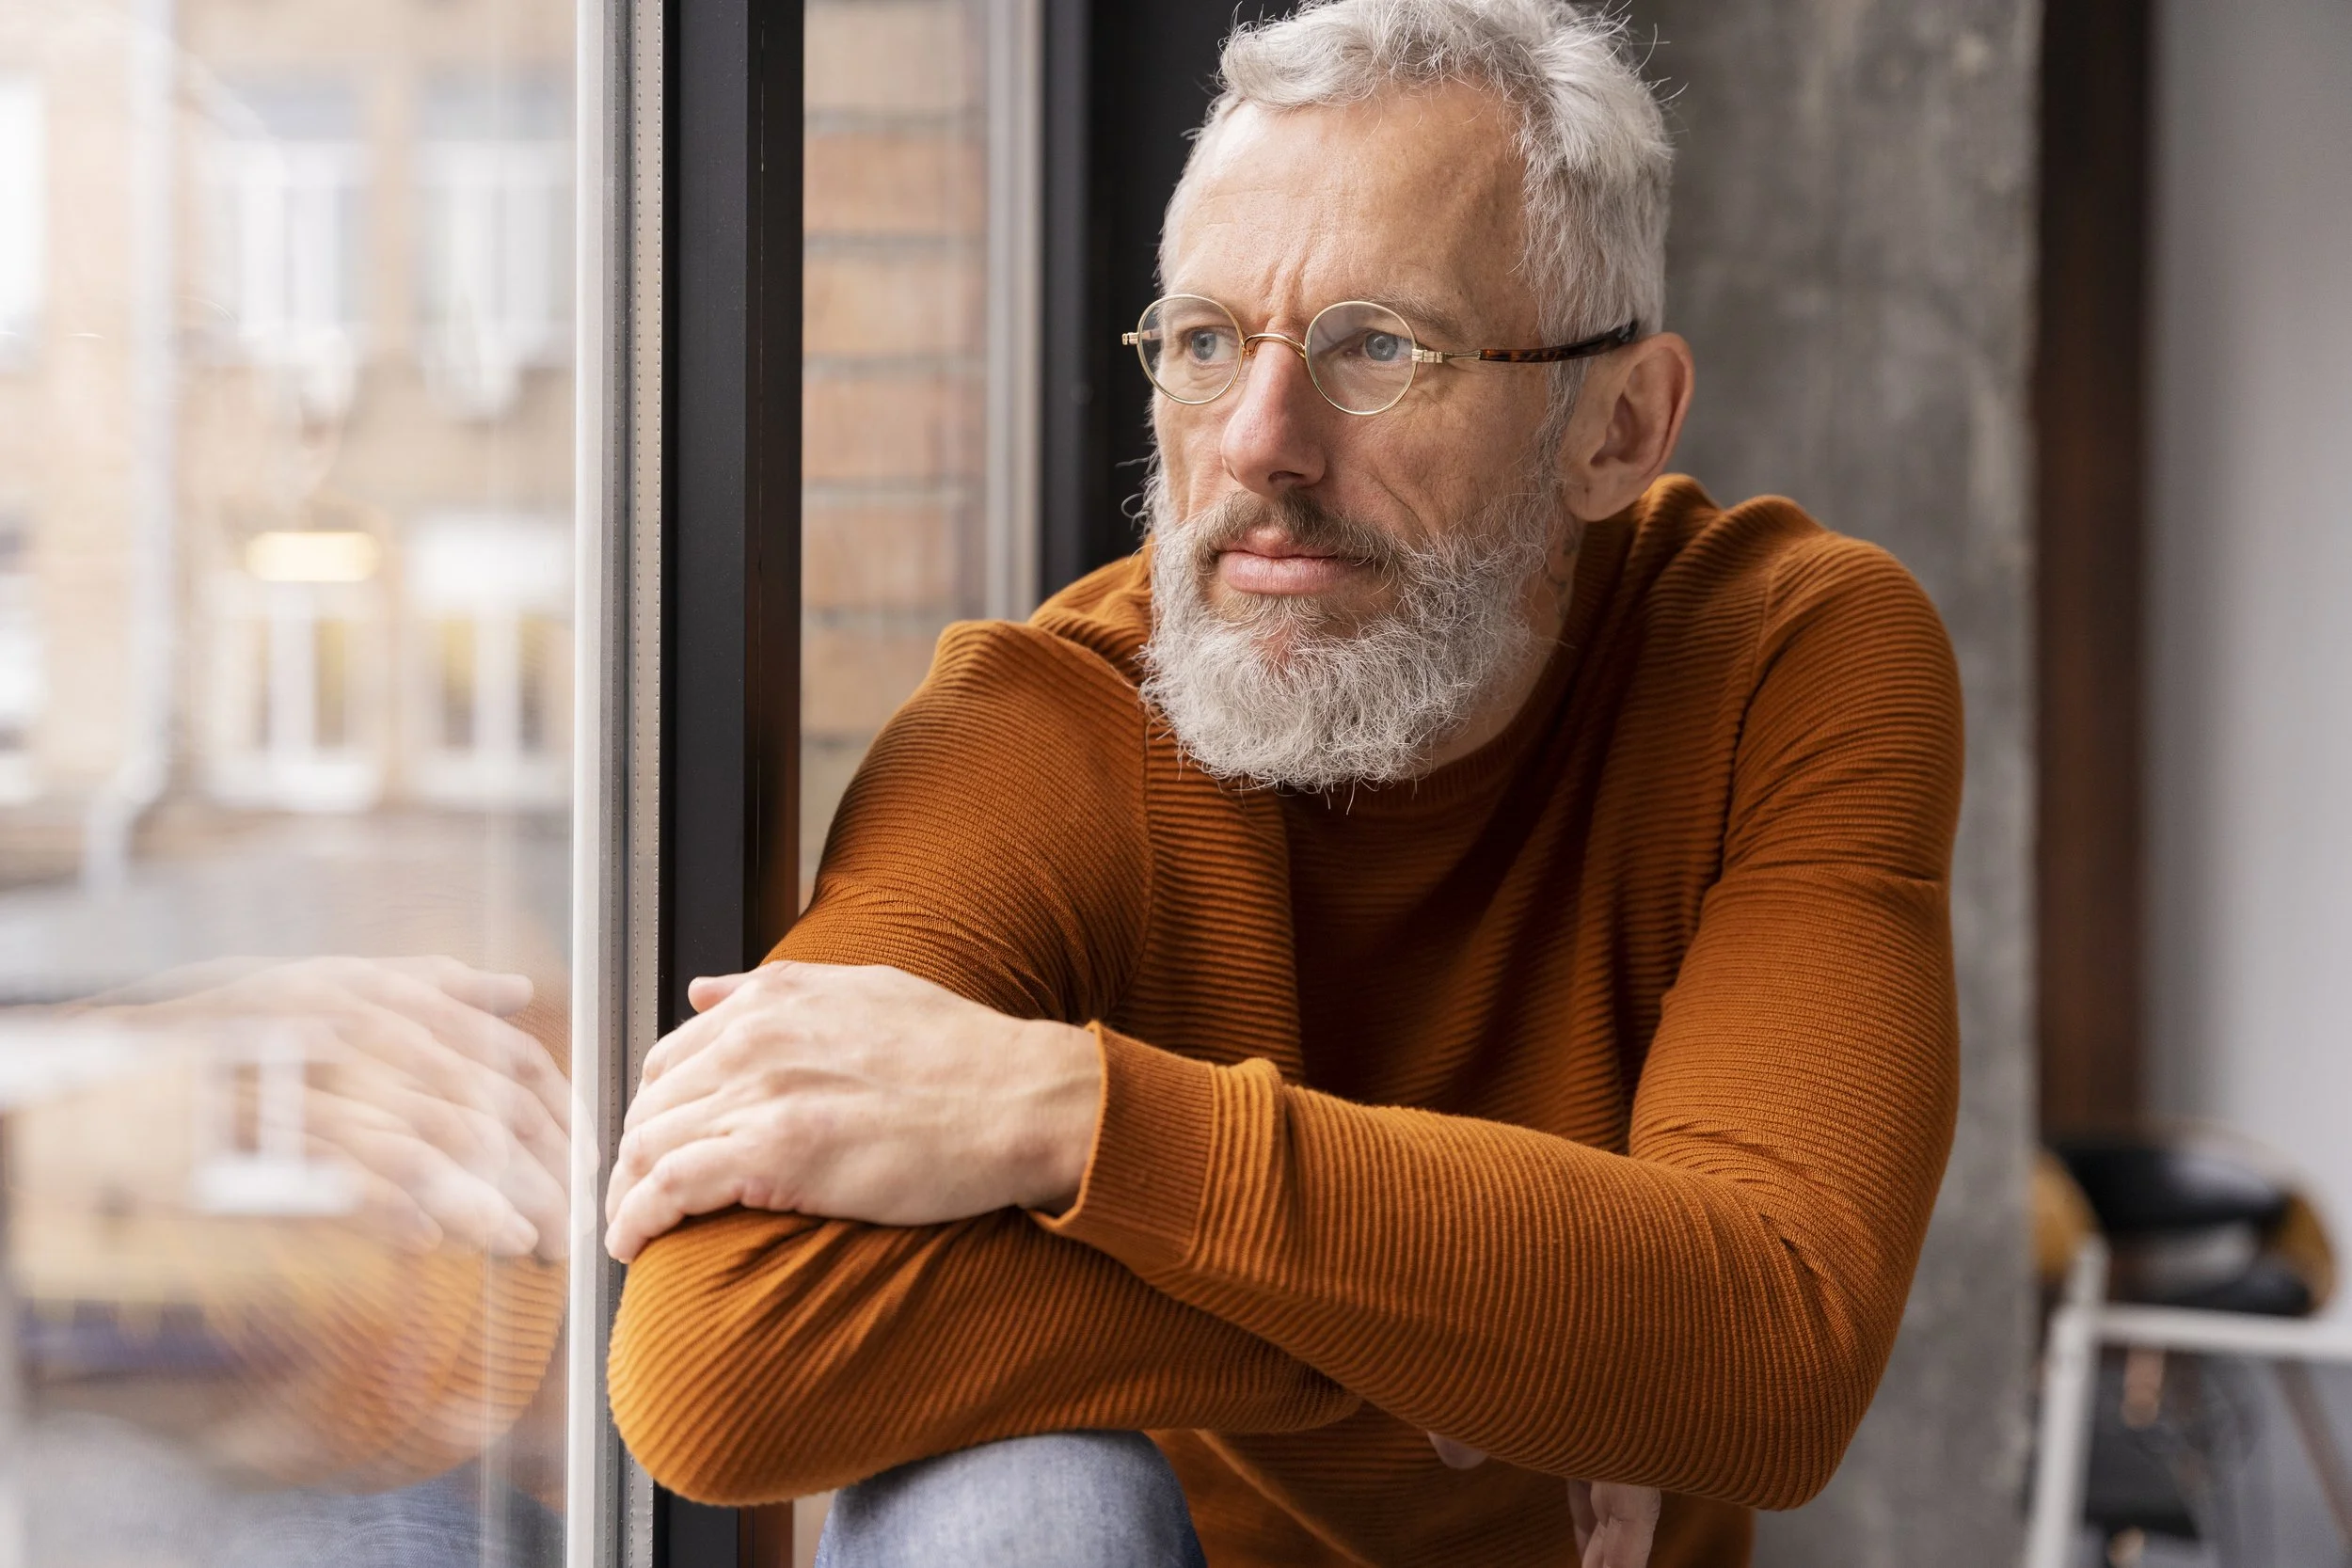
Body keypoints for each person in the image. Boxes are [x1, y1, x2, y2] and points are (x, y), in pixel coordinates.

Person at [602, 1, 1963, 1562]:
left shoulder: (1783, 654)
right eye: (1201, 343)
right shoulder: (1040, 723)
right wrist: (1511, 1328)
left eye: (1379, 347)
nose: (1260, 443)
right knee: (1019, 1508)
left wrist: (1059, 1115)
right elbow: (713, 1364)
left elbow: (1773, 1344)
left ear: (1619, 426)